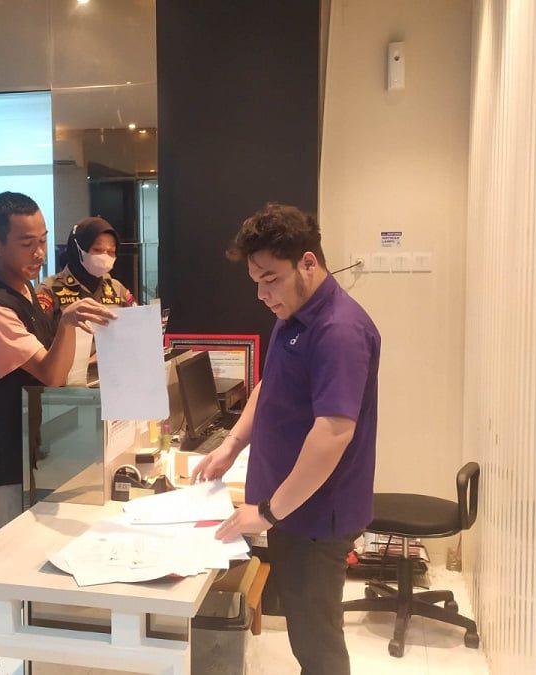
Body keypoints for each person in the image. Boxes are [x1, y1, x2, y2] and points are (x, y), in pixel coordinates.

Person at [193, 203, 381, 675]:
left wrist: (268, 512)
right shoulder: (294, 314)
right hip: (292, 509)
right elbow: (269, 385)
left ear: (308, 263)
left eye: (271, 279)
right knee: (306, 633)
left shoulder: (338, 329)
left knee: (317, 645)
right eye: (256, 281)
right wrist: (232, 443)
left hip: (316, 517)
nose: (262, 294)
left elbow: (333, 433)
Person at [0, 192, 116, 674]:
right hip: (0, 460)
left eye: (43, 240)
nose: (39, 252)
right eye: (26, 243)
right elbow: (50, 372)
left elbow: (60, 363)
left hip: (31, 455)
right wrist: (68, 322)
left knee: (18, 566)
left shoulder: (28, 294)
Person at [35, 216, 136, 330]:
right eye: (97, 250)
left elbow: (138, 325)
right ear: (77, 249)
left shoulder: (117, 289)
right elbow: (36, 335)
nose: (104, 256)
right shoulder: (49, 290)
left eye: (111, 251)